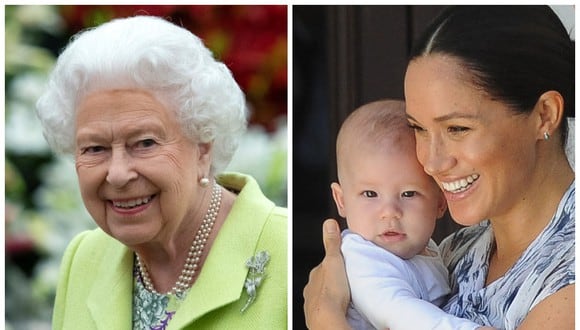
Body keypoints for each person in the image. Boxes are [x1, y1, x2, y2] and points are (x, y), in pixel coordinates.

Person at [304, 5, 574, 330]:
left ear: (544, 114)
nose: (431, 162)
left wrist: (325, 318)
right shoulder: (454, 252)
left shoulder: (567, 280)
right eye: (418, 129)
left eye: (457, 129)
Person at [35, 15, 287, 329]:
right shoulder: (84, 258)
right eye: (94, 148)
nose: (117, 174)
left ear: (203, 147)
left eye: (144, 143)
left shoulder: (286, 252)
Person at [331, 100, 490, 330]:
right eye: (370, 193)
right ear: (342, 200)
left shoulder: (429, 250)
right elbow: (399, 312)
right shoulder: (361, 260)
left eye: (408, 193)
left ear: (440, 202)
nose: (390, 212)